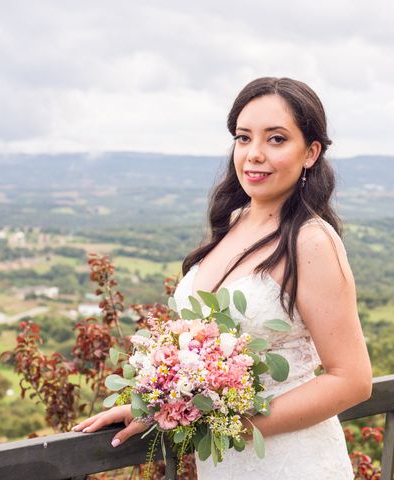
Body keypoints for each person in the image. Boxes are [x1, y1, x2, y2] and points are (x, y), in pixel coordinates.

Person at [73, 77, 372, 479]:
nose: (254, 154)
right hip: (224, 464)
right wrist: (160, 405)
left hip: (293, 462)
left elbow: (352, 381)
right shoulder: (235, 222)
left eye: (277, 139)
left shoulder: (311, 241)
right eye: (244, 138)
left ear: (311, 152)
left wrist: (224, 425)